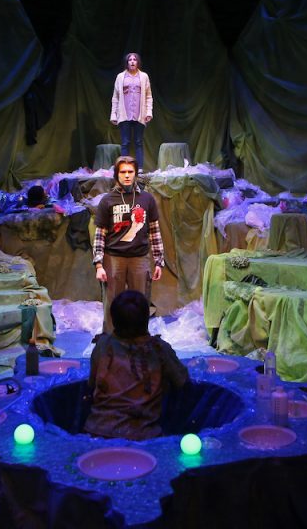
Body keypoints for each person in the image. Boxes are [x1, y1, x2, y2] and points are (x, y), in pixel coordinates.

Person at [84, 290, 188, 441]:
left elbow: (91, 384)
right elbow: (183, 381)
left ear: (114, 320)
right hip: (142, 436)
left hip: (98, 432)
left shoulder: (103, 346)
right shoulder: (158, 349)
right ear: (146, 319)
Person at [93, 156, 165, 335]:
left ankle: (139, 338)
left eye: (130, 172)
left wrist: (159, 261)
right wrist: (99, 264)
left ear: (135, 174)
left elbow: (154, 231)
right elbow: (100, 234)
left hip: (139, 257)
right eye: (123, 172)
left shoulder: (146, 199)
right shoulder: (107, 200)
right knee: (112, 301)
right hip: (113, 257)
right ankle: (111, 339)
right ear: (116, 174)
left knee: (140, 302)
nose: (126, 175)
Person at [110, 52, 153, 170]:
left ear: (138, 62)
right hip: (125, 115)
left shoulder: (143, 76)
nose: (132, 61)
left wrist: (149, 112)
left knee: (139, 142)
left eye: (135, 59)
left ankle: (140, 168)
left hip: (139, 114)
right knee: (125, 142)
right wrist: (113, 114)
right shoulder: (120, 77)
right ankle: (124, 167)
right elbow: (115, 97)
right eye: (130, 60)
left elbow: (148, 96)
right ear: (127, 63)